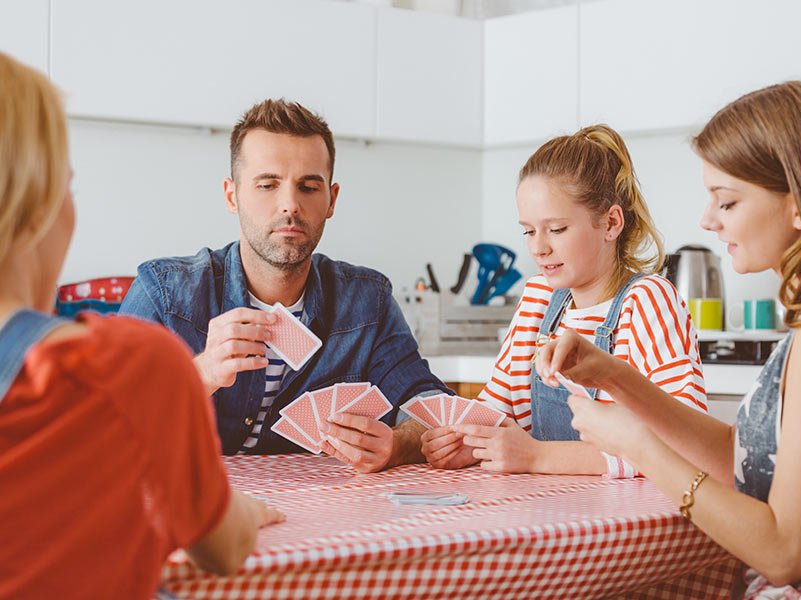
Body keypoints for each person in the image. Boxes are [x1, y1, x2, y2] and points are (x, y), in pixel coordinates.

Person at [538, 81, 801, 598]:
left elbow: (783, 553)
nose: (707, 220)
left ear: (798, 205)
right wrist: (614, 376)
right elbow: (745, 458)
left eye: (726, 202)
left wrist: (641, 448)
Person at [0, 53, 283, 600]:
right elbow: (222, 550)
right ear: (37, 205)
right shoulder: (130, 359)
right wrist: (240, 509)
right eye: (69, 188)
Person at [119, 98, 450, 472]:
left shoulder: (367, 301)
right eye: (267, 185)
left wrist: (399, 446)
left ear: (331, 200)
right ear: (232, 195)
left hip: (323, 518)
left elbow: (432, 404)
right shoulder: (163, 292)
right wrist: (200, 375)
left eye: (308, 187)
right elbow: (98, 426)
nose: (289, 205)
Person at [421, 125, 707, 475]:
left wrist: (537, 456)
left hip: (621, 518)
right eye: (528, 230)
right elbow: (496, 407)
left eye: (556, 229)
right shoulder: (538, 297)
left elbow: (683, 447)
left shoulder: (648, 301)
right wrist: (469, 442)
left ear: (610, 223)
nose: (538, 247)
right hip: (541, 511)